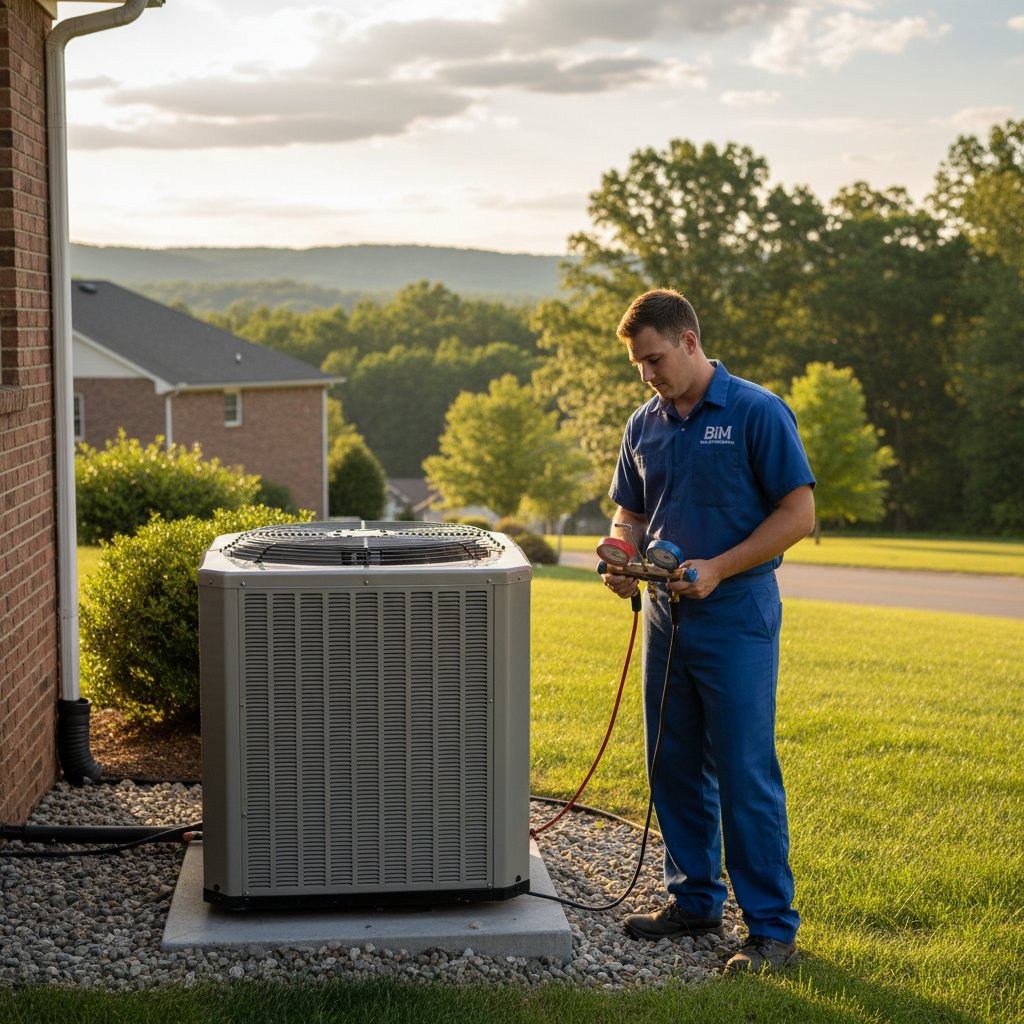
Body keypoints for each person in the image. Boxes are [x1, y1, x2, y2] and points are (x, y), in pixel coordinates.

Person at [603, 288, 816, 973]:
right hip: (666, 615)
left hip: (736, 611)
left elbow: (798, 514)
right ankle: (695, 899)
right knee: (672, 761)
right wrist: (619, 558)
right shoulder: (645, 423)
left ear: (689, 342)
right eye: (639, 365)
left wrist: (720, 567)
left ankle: (771, 930)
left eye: (655, 359)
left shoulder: (757, 411)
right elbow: (629, 516)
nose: (647, 375)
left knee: (744, 770)